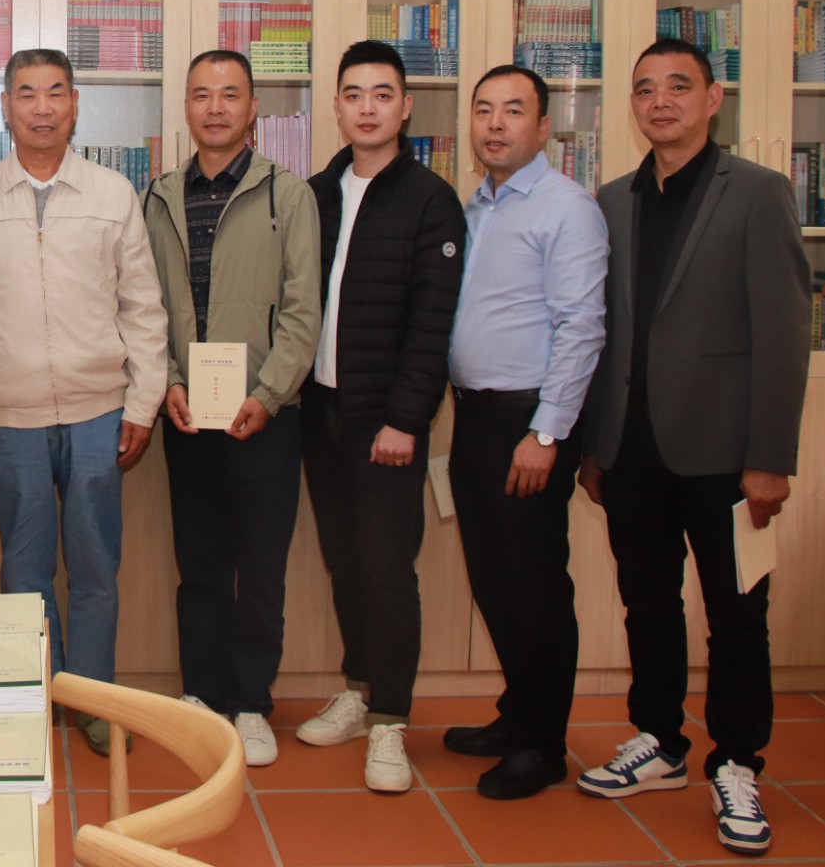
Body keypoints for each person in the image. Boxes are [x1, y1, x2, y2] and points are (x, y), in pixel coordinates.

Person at [574, 38, 811, 856]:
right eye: (646, 90)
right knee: (647, 601)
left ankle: (737, 761)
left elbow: (785, 334)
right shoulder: (612, 200)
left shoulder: (758, 192)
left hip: (726, 453)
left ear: (713, 99)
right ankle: (659, 740)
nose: (661, 101)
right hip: (630, 450)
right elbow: (600, 330)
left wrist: (771, 455)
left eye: (679, 86)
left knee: (738, 616)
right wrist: (595, 446)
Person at [0, 49, 168, 757]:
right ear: (4, 107)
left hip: (100, 408)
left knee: (97, 565)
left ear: (75, 105)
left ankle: (94, 701)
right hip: (8, 411)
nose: (41, 107)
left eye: (55, 93)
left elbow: (143, 308)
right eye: (26, 93)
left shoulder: (113, 193)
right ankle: (37, 694)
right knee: (24, 570)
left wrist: (142, 404)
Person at [295, 39, 465, 795]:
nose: (368, 108)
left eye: (383, 94)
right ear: (336, 106)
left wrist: (406, 420)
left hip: (386, 422)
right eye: (354, 95)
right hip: (320, 410)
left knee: (388, 569)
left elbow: (434, 324)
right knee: (344, 560)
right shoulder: (315, 194)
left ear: (406, 107)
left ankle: (391, 718)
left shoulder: (430, 199)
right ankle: (360, 690)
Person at [142, 49, 321, 768]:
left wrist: (268, 393)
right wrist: (167, 382)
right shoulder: (159, 196)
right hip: (187, 411)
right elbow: (146, 306)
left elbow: (303, 311)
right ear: (186, 107)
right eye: (201, 95)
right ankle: (203, 692)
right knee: (200, 562)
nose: (215, 107)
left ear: (253, 110)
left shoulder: (289, 195)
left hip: (263, 415)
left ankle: (251, 702)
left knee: (261, 566)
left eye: (229, 94)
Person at [442, 65, 607, 799]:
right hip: (475, 417)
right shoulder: (474, 208)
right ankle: (518, 715)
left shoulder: (567, 208)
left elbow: (582, 327)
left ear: (543, 128)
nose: (495, 124)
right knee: (493, 576)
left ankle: (544, 744)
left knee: (534, 584)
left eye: (513, 111)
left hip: (528, 422)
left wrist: (545, 434)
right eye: (484, 110)